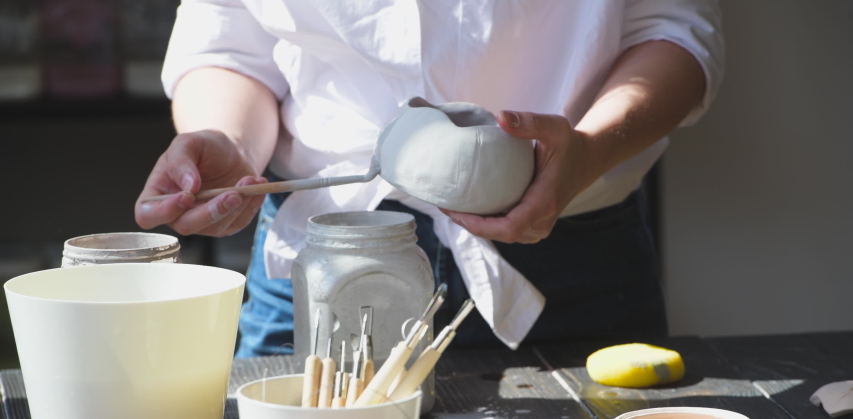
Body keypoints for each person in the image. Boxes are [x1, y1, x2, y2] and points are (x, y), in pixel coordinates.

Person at [135, 0, 724, 356]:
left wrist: (589, 150)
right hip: (323, 260)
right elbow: (231, 38)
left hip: (570, 255)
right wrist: (230, 142)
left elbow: (671, 24)